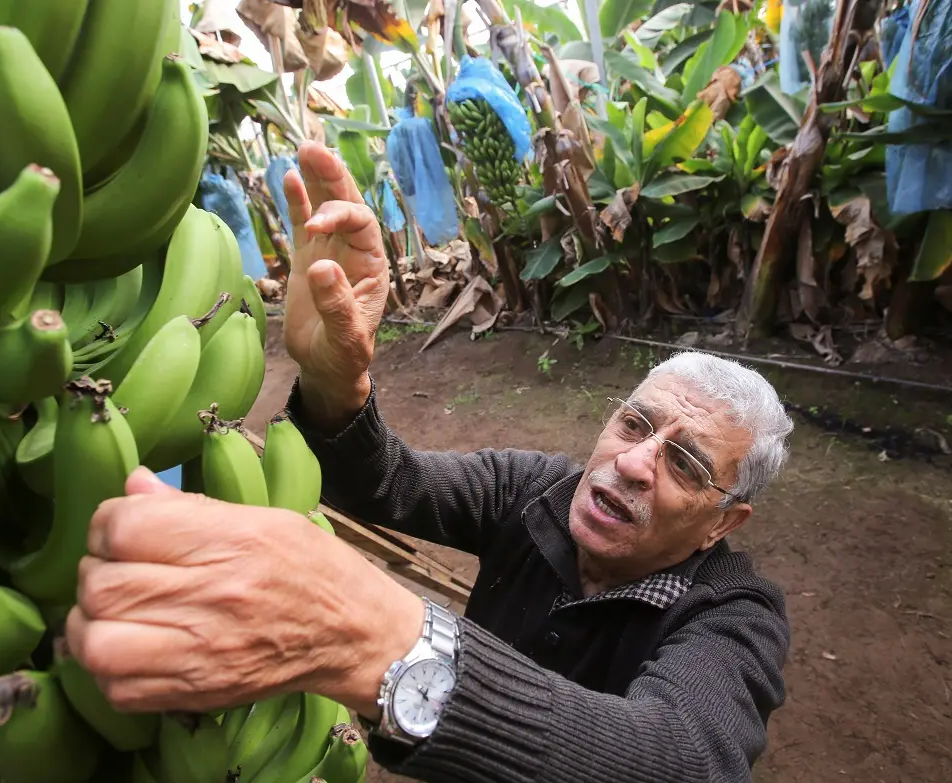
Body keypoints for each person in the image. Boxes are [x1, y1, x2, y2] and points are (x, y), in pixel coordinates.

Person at [66, 141, 794, 782]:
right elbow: (387, 485)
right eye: (634, 423)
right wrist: (333, 383)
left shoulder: (735, 614)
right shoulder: (535, 490)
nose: (635, 463)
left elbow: (683, 759)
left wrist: (391, 643)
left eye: (686, 465)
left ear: (722, 521)